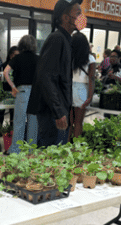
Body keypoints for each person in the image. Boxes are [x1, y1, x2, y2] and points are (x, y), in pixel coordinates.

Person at [27, 0, 82, 148]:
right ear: (65, 18)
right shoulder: (57, 39)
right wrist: (58, 111)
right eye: (77, 14)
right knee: (51, 155)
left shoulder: (64, 40)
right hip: (51, 111)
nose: (81, 18)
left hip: (56, 108)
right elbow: (46, 77)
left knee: (55, 154)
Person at [4, 35, 39, 153]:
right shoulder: (38, 58)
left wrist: (13, 87)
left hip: (22, 91)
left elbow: (6, 72)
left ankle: (15, 150)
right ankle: (31, 150)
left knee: (19, 122)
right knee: (33, 122)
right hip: (35, 93)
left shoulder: (17, 58)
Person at [70, 32, 96, 139]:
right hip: (82, 90)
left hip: (69, 88)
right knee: (78, 123)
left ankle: (66, 147)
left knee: (69, 122)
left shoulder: (69, 56)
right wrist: (90, 96)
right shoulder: (90, 58)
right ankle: (76, 149)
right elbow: (91, 78)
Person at [0, 46, 19, 135]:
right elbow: (0, 78)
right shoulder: (4, 65)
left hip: (14, 92)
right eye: (15, 55)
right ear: (11, 55)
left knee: (12, 112)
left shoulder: (18, 65)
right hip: (5, 91)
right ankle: (0, 129)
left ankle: (11, 130)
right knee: (1, 111)